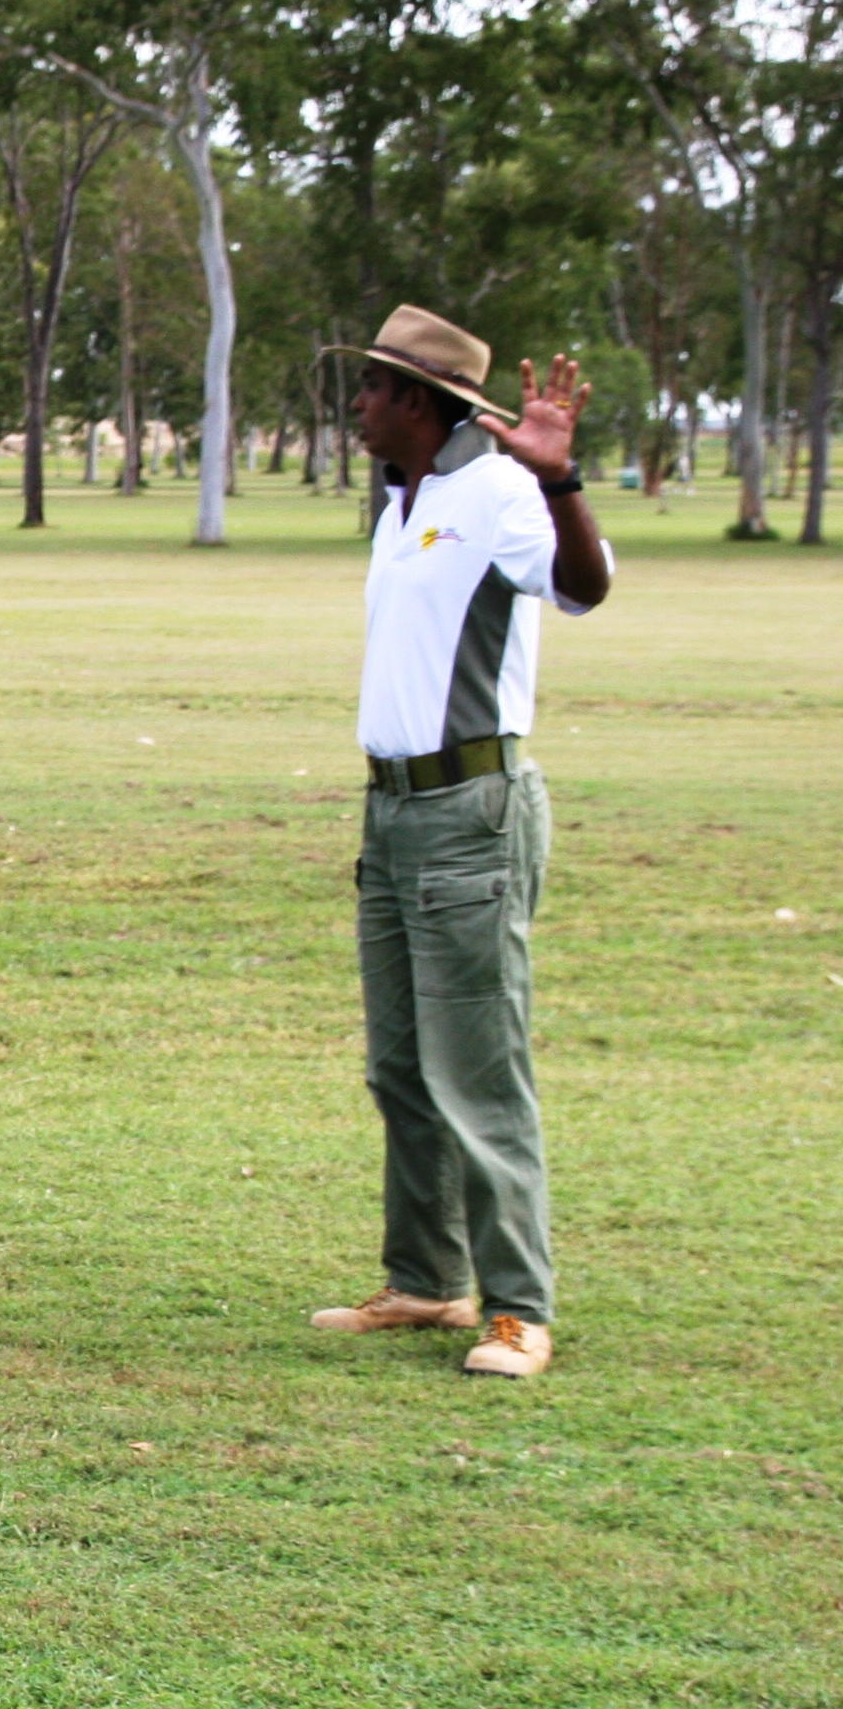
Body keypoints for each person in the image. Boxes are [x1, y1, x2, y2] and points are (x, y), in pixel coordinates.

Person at [308, 310, 609, 1380]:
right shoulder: (406, 499)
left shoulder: (497, 494)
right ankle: (428, 1279)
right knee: (401, 1064)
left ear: (422, 404)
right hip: (391, 812)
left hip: (471, 810)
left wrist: (561, 479)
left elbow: (584, 587)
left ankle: (519, 1306)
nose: (359, 404)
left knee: (479, 1066)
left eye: (376, 388)